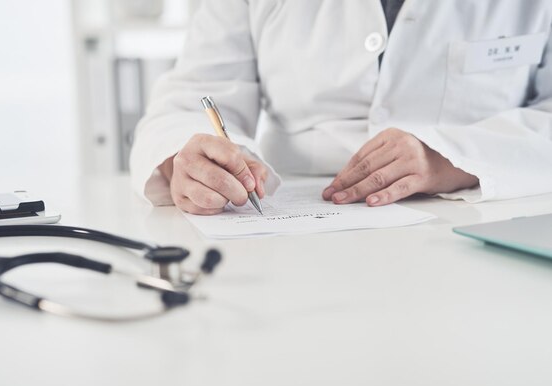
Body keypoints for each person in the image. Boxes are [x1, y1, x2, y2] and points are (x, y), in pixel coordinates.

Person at [130, 0, 552, 215]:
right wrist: (191, 161)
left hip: (480, 213)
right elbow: (193, 97)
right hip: (290, 220)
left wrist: (453, 157)